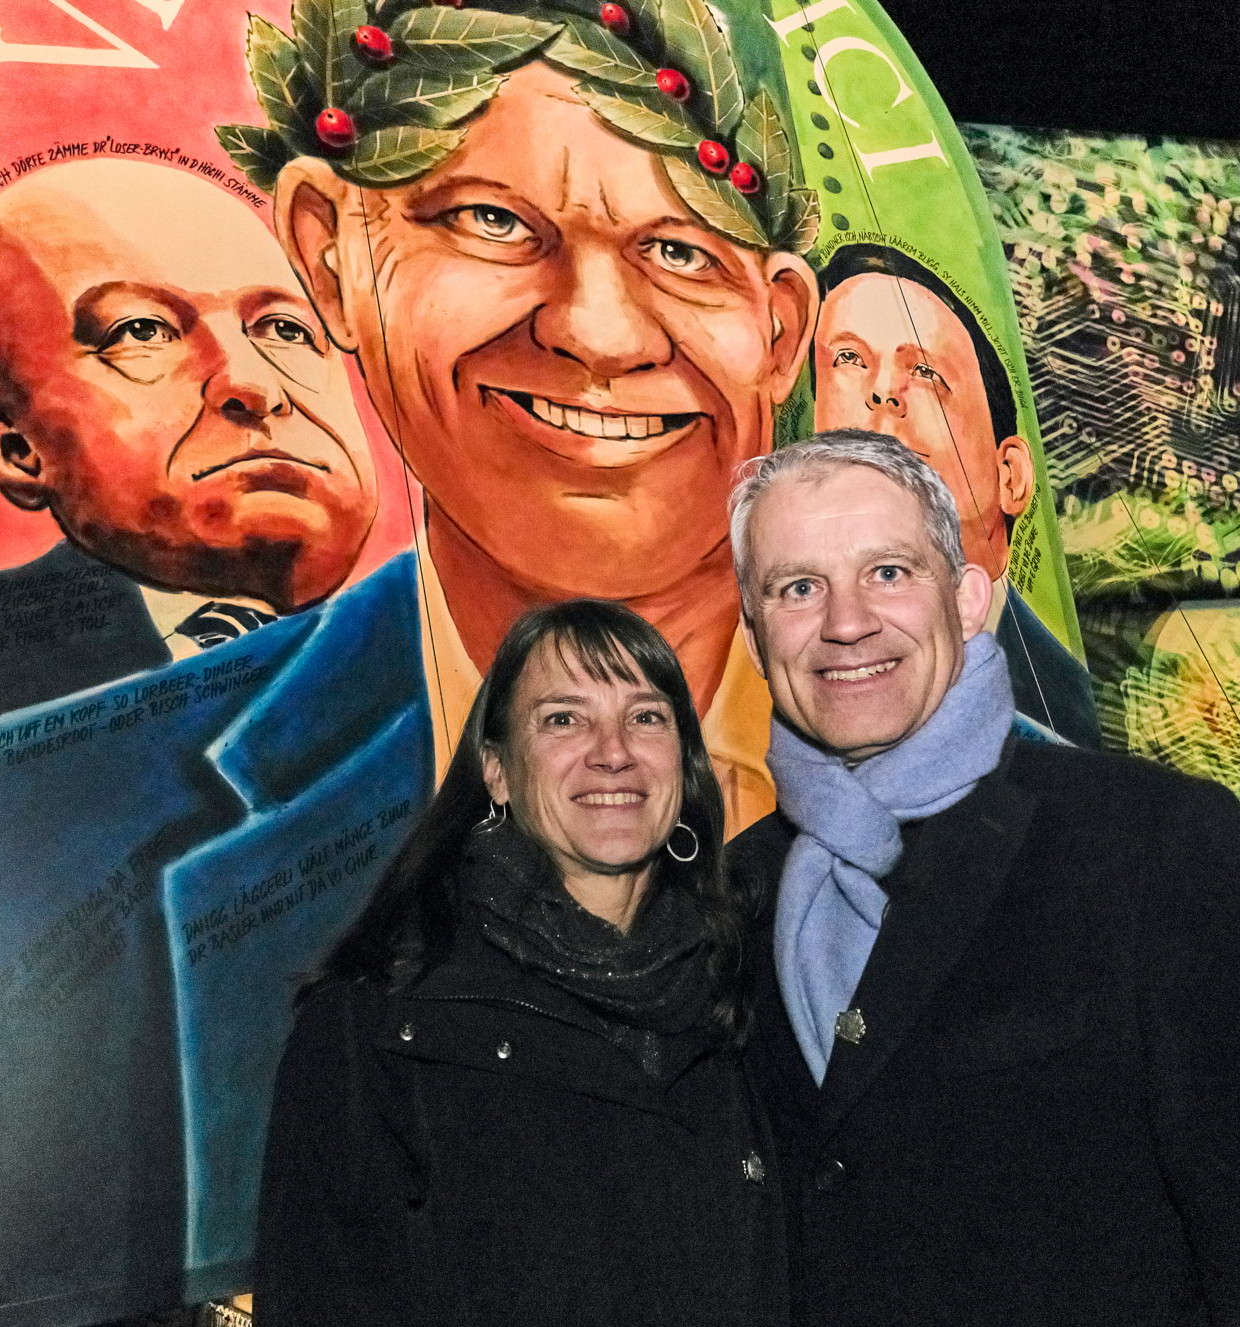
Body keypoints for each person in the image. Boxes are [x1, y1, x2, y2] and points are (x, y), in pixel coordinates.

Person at [725, 429, 1240, 1327]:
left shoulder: (1156, 844)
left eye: (888, 572)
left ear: (969, 600)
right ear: (753, 630)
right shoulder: (726, 896)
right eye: (797, 586)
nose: (846, 620)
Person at [235, 0, 821, 831]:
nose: (598, 335)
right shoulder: (83, 807)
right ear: (331, 256)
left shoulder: (1019, 799)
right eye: (491, 220)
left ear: (780, 327)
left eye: (685, 253)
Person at [252, 600, 784, 1327]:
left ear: (684, 763)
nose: (613, 753)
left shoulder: (743, 997)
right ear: (496, 769)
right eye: (564, 719)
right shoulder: (376, 1031)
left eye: (646, 717)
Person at [0, 157, 382, 739]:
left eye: (284, 330)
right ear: (14, 447)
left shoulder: (438, 652)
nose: (257, 387)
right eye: (141, 331)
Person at [812, 243, 1099, 747]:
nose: (881, 391)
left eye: (924, 372)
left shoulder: (1063, 711)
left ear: (1010, 475)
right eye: (849, 358)